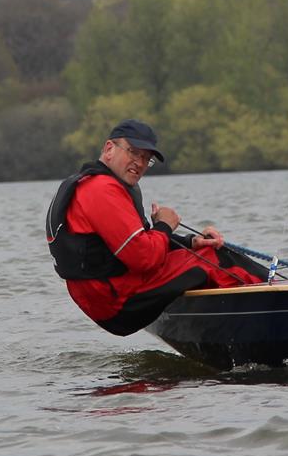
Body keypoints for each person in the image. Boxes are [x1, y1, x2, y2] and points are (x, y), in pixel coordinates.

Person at [46, 119, 264, 336]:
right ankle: (277, 299)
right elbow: (144, 257)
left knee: (201, 251)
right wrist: (164, 224)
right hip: (118, 301)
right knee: (217, 258)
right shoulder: (102, 189)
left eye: (146, 159)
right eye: (133, 152)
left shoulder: (89, 184)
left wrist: (190, 242)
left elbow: (132, 246)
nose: (140, 163)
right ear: (109, 148)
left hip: (106, 297)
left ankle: (232, 323)